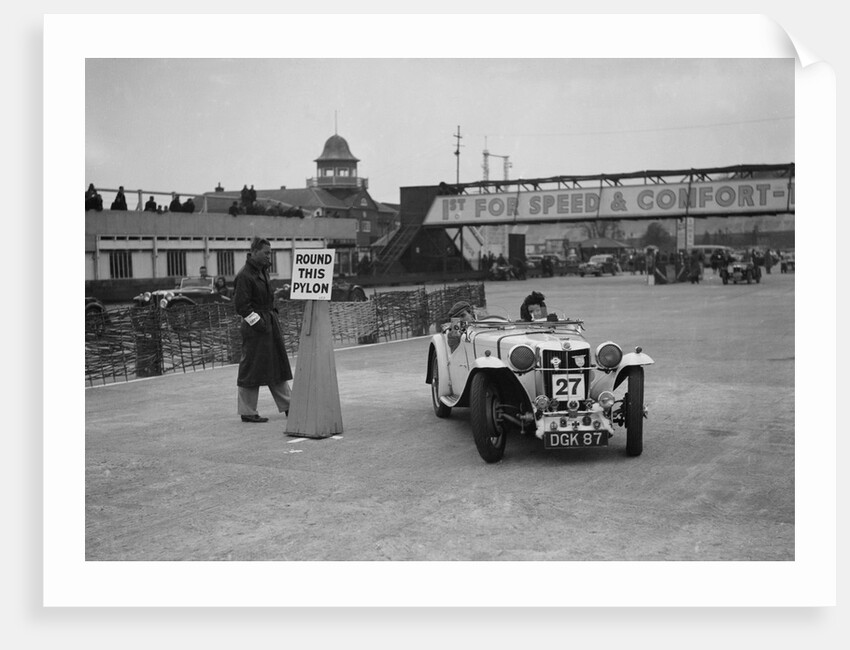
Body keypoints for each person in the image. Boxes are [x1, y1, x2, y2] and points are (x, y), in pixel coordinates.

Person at [233, 237, 293, 423]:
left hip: (269, 323)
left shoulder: (262, 271)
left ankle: (290, 406)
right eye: (266, 252)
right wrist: (259, 324)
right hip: (256, 328)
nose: (269, 256)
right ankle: (247, 411)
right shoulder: (245, 275)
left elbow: (268, 299)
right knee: (251, 368)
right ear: (254, 251)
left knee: (276, 365)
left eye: (270, 252)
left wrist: (271, 316)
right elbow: (242, 306)